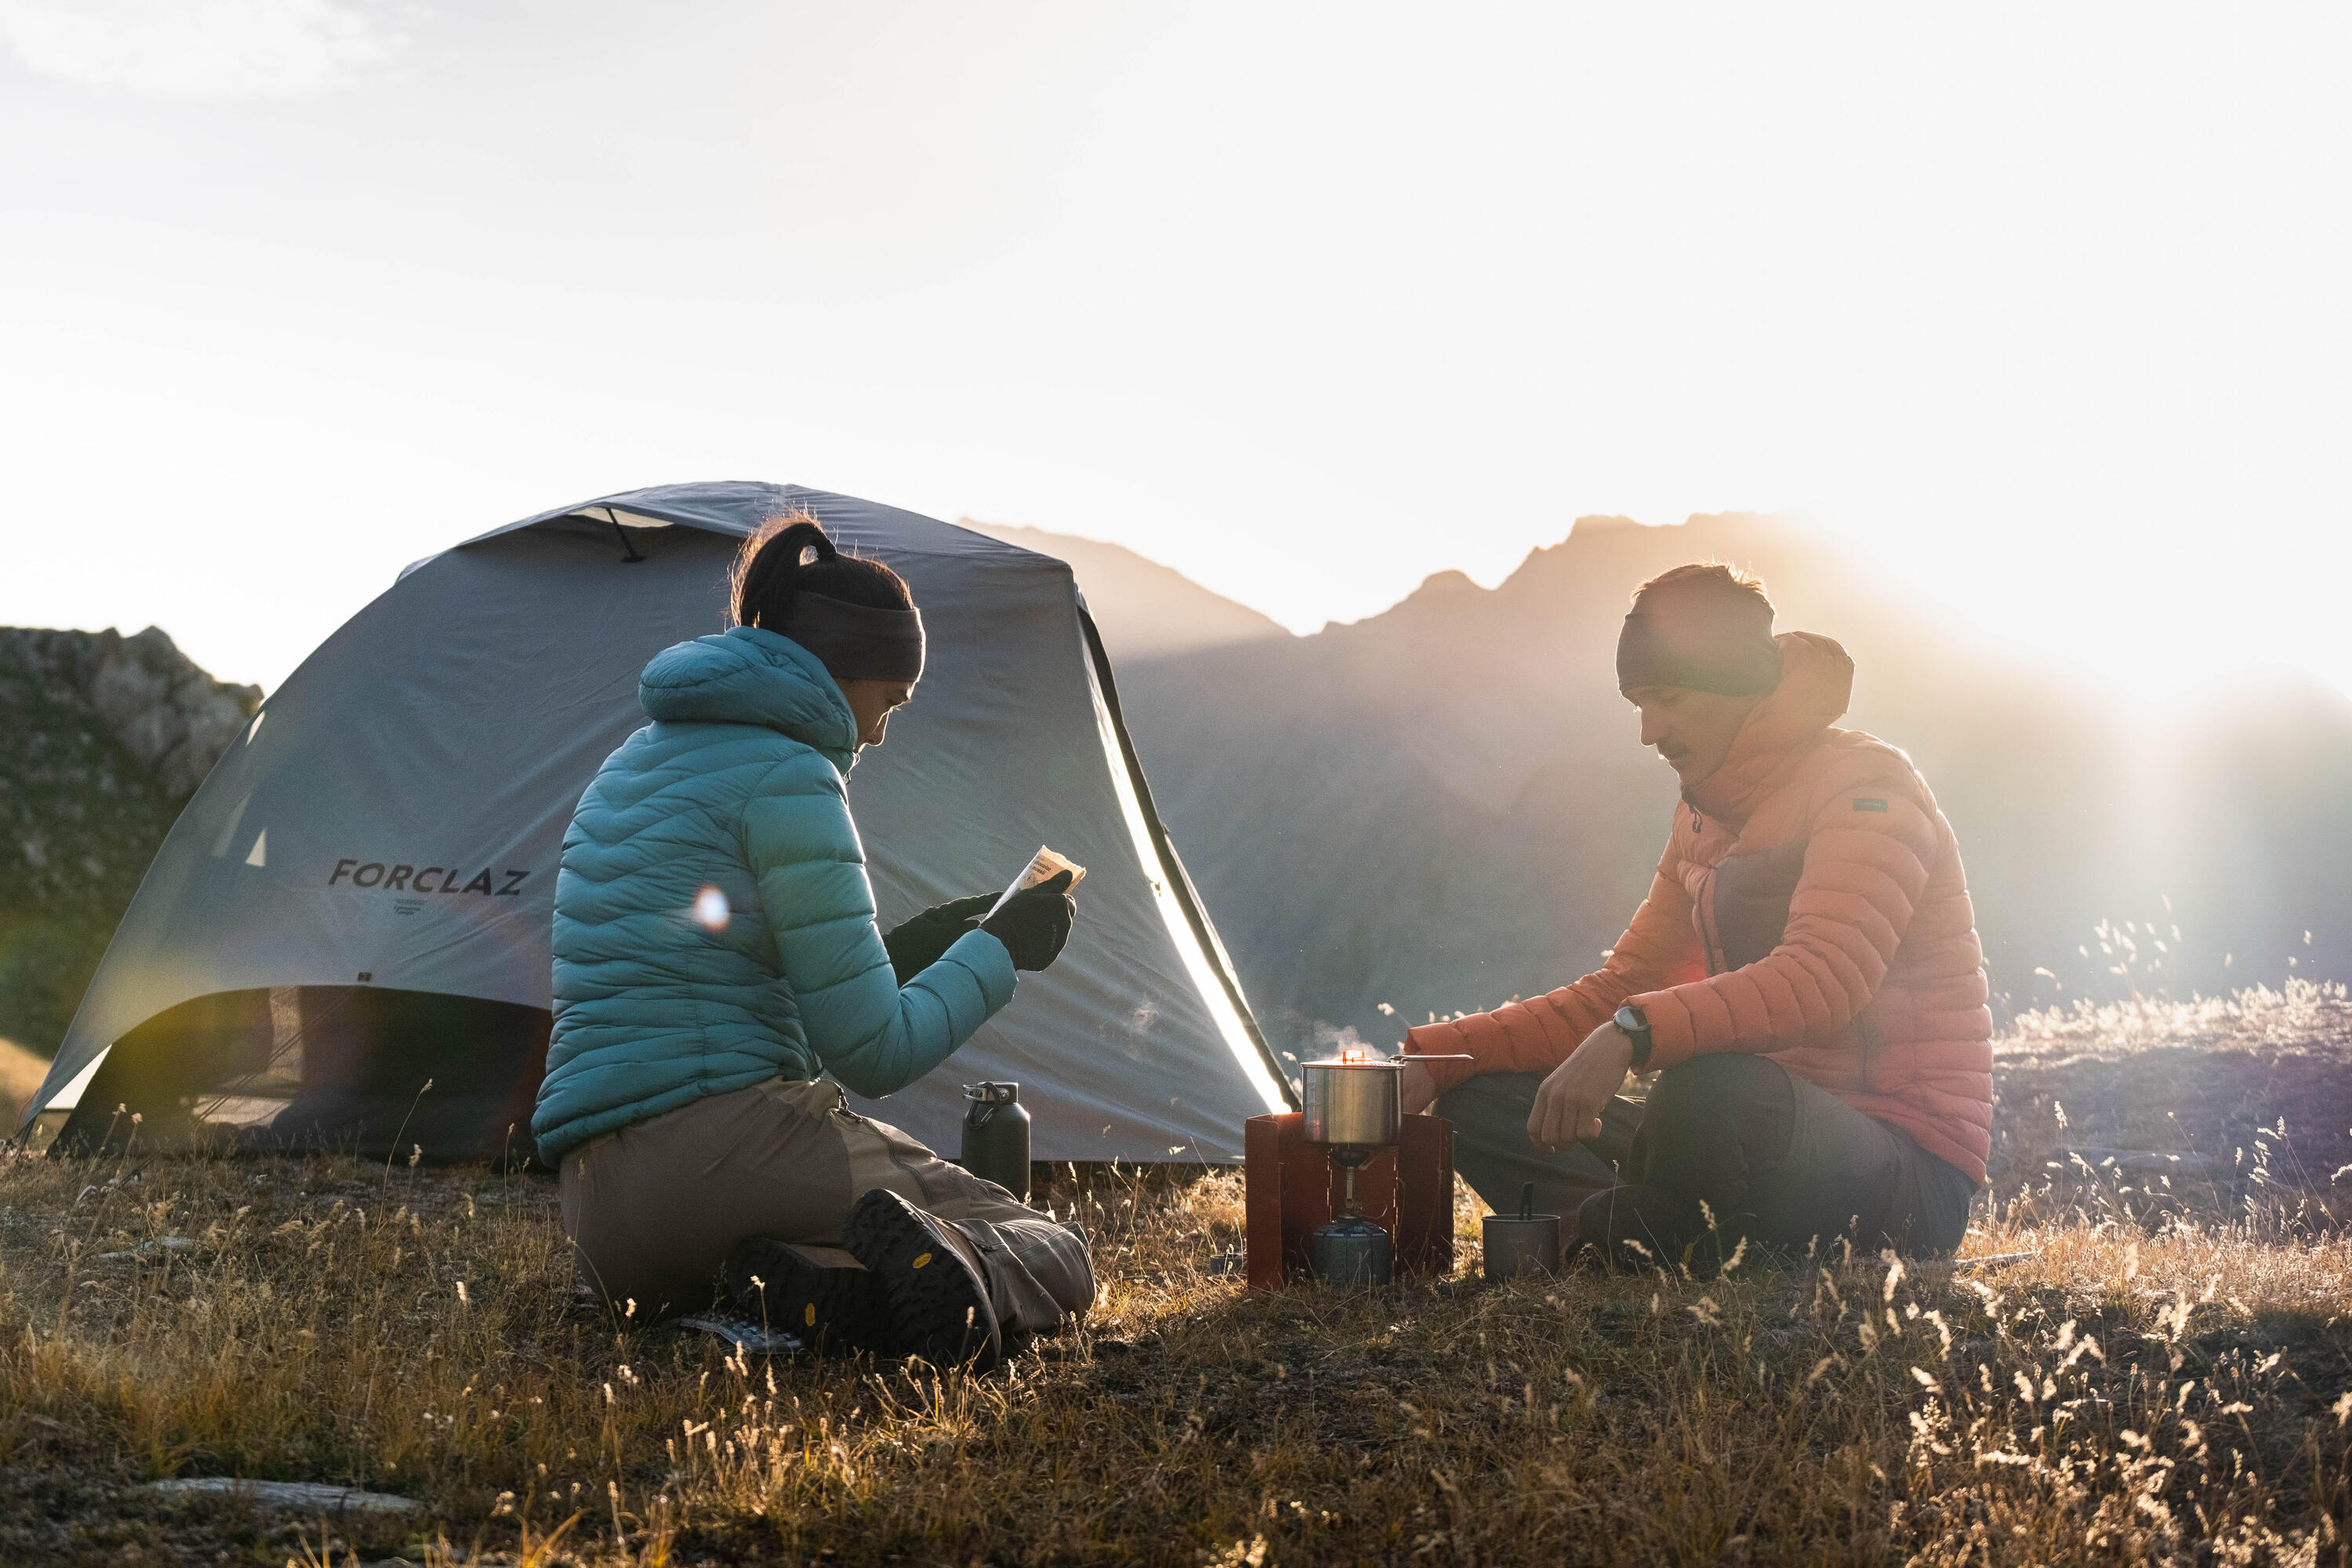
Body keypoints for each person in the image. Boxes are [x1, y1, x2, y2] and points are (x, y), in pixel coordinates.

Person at [532, 513, 1092, 1370]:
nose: (879, 732)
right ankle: (959, 1278)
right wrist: (999, 951)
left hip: (604, 1222)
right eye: (889, 701)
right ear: (845, 671)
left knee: (864, 1246)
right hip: (727, 1160)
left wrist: (934, 941)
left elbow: (742, 986)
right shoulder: (791, 774)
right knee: (1051, 1248)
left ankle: (817, 1285)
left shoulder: (631, 762)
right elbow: (873, 1052)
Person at [1399, 563, 1991, 1272]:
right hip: (1747, 1137)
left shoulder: (1868, 788)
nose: (1649, 732)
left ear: (1735, 685)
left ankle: (1635, 1230)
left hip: (1901, 1166)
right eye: (1639, 705)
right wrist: (1442, 1055)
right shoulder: (1702, 817)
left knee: (1706, 1089)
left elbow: (1826, 978)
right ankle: (1631, 1234)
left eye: (1669, 699)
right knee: (1479, 1100)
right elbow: (1623, 986)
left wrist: (1634, 1033)